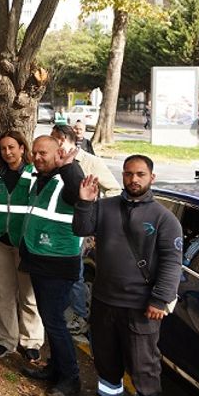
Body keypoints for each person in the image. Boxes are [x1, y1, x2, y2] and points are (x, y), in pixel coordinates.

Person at [72, 156, 182, 396]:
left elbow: (172, 262)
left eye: (141, 174)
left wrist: (160, 299)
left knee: (143, 363)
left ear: (151, 178)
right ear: (122, 175)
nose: (134, 179)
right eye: (129, 174)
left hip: (141, 305)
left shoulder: (164, 218)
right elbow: (81, 229)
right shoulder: (105, 207)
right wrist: (85, 201)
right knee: (106, 354)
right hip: (105, 299)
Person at [18, 135, 84, 396]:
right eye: (35, 152)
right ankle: (55, 368)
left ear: (59, 154)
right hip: (40, 259)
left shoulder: (66, 179)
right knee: (49, 319)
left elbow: (79, 192)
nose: (37, 157)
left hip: (57, 263)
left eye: (44, 153)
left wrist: (70, 166)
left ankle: (70, 378)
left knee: (55, 322)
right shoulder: (43, 179)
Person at [0, 132, 44, 361]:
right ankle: (6, 340)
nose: (8, 152)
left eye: (12, 147)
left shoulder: (34, 175)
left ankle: (32, 341)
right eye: (4, 148)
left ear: (22, 149)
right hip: (0, 242)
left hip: (24, 244)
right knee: (3, 293)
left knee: (28, 295)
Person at [52, 124, 121, 336]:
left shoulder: (91, 162)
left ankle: (79, 317)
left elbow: (114, 190)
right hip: (57, 227)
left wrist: (95, 218)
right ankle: (64, 313)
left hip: (81, 229)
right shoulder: (56, 161)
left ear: (63, 139)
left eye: (53, 139)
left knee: (75, 274)